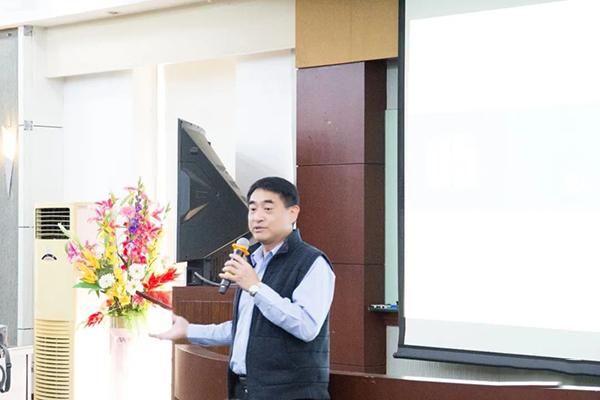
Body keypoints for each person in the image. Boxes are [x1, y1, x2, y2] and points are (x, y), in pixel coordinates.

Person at [151, 177, 335, 400]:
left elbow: (306, 326)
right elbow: (246, 328)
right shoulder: (253, 262)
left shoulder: (312, 262)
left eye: (268, 209)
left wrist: (256, 287)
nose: (257, 217)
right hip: (244, 390)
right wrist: (188, 330)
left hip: (289, 394)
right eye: (253, 209)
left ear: (292, 213)